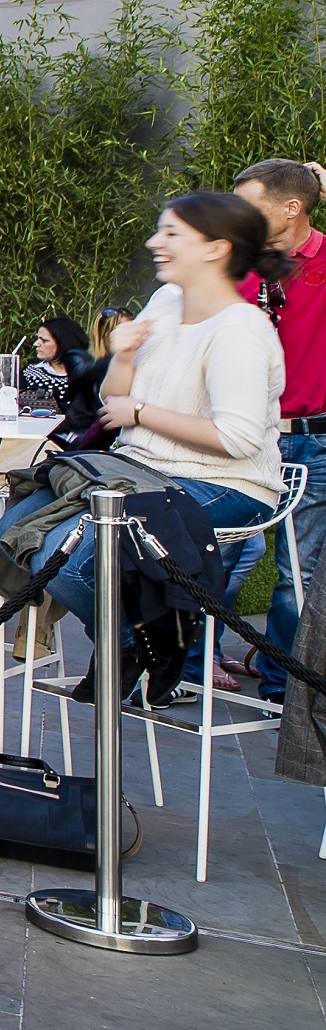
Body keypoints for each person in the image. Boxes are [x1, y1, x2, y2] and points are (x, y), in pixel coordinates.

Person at [0, 194, 288, 697]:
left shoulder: (240, 330)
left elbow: (236, 439)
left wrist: (143, 413)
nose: (156, 242)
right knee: (15, 525)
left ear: (217, 249)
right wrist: (125, 356)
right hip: (137, 467)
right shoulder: (165, 304)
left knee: (87, 551)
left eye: (172, 233)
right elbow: (114, 398)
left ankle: (144, 643)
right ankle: (144, 638)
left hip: (224, 481)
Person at [229, 158, 321, 699]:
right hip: (242, 433)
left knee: (296, 573)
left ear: (291, 209)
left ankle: (281, 689)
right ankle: (191, 667)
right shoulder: (240, 265)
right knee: (214, 555)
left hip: (311, 437)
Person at [22, 316, 90, 414]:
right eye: (38, 339)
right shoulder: (28, 374)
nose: (36, 344)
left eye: (44, 340)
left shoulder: (87, 375)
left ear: (63, 343)